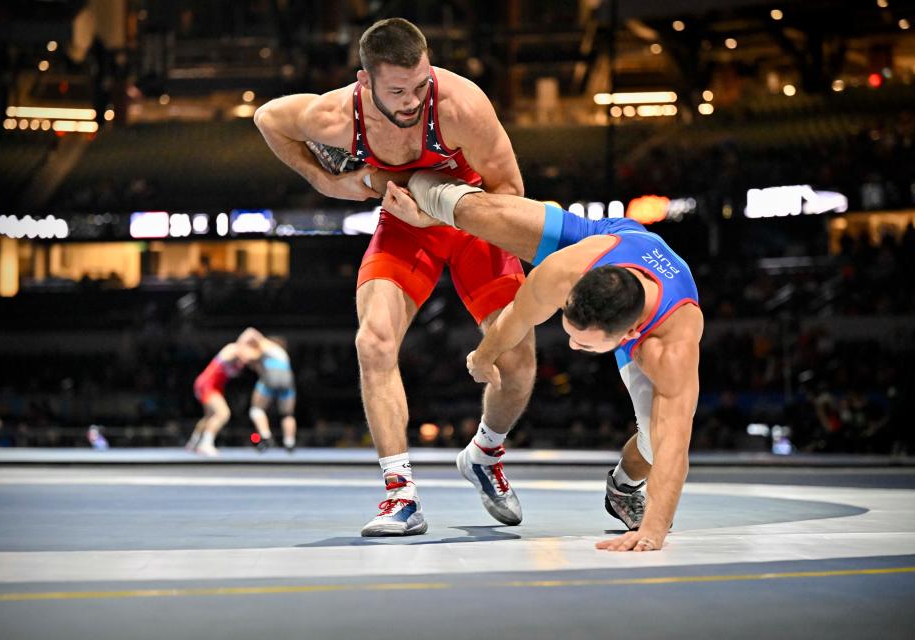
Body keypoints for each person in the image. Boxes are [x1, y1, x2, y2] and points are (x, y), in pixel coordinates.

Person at [254, 18, 536, 536]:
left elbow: (512, 192)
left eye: (421, 84)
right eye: (398, 90)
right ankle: (400, 496)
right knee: (373, 341)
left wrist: (441, 211)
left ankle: (484, 453)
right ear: (364, 83)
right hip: (406, 225)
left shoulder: (461, 106)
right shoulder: (337, 114)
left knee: (517, 361)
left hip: (473, 215)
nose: (413, 101)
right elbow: (268, 117)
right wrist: (324, 179)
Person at [381, 171, 703, 552]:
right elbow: (517, 316)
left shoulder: (669, 346)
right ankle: (413, 198)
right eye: (570, 329)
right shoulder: (564, 271)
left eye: (583, 345)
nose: (570, 344)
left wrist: (652, 530)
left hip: (649, 309)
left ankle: (624, 487)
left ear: (629, 338)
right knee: (475, 209)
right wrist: (483, 357)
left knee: (655, 442)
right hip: (610, 238)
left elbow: (675, 448)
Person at [188, 338, 260, 457]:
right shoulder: (231, 349)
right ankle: (206, 444)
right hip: (207, 384)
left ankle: (193, 442)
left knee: (209, 417)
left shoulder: (239, 363)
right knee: (223, 414)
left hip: (213, 386)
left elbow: (250, 361)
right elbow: (248, 349)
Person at [239, 328, 298, 452]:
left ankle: (266, 436)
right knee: (287, 414)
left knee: (256, 409)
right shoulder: (281, 354)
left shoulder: (266, 344)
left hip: (272, 375)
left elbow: (250, 331)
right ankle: (289, 442)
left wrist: (240, 345)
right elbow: (258, 366)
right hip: (287, 378)